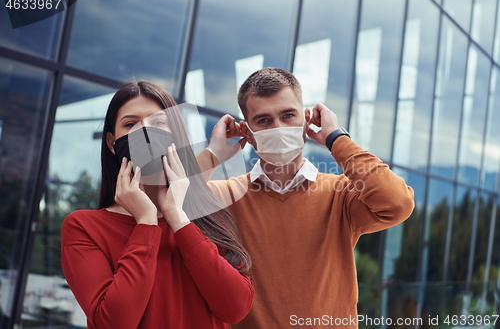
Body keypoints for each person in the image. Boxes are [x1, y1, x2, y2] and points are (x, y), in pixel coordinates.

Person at [195, 67, 415, 328]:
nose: (278, 127)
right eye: (264, 120)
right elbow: (171, 206)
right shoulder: (226, 196)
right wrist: (212, 154)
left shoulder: (341, 194)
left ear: (307, 119)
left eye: (288, 115)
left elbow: (398, 203)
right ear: (248, 133)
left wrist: (337, 138)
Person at [61, 81, 254, 329]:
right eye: (130, 124)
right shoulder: (85, 227)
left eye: (159, 123)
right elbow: (115, 322)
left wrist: (176, 216)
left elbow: (235, 307)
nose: (145, 131)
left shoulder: (212, 218)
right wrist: (146, 222)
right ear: (112, 142)